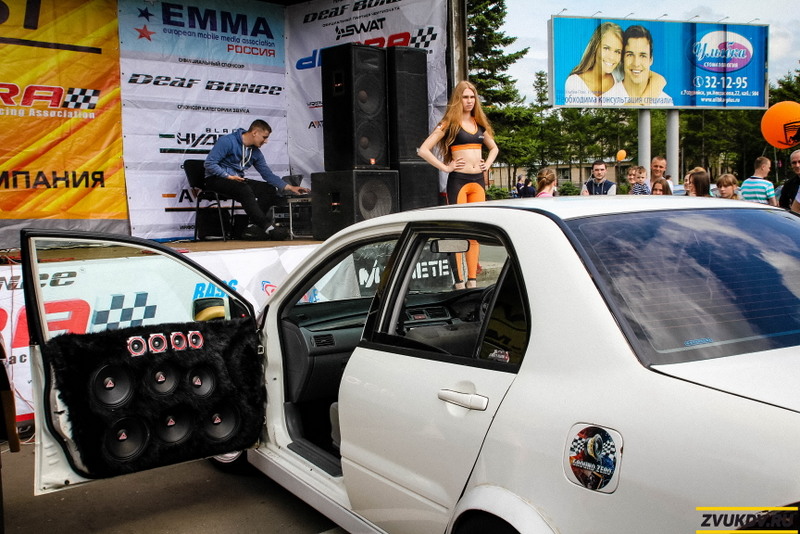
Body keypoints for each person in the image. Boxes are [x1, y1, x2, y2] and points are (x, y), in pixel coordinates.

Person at [418, 80, 499, 289]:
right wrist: (445, 167)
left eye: (472, 97)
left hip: (478, 182)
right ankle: (459, 282)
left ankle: (472, 281)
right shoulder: (449, 123)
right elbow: (423, 149)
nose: (469, 101)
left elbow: (494, 148)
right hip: (458, 181)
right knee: (458, 232)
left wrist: (487, 164)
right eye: (465, 97)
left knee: (474, 233)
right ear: (458, 99)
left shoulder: (479, 124)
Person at [205, 120, 308, 240]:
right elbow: (209, 163)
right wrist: (228, 176)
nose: (266, 141)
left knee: (268, 189)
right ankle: (266, 226)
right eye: (264, 137)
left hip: (236, 180)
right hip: (215, 178)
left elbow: (267, 174)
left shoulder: (256, 153)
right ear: (254, 133)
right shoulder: (227, 141)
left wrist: (289, 187)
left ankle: (252, 227)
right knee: (243, 188)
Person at [565, 22, 627, 105]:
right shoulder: (574, 82)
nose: (611, 57)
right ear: (595, 47)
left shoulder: (621, 77)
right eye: (606, 48)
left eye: (617, 52)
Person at [621, 25, 672, 106]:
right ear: (622, 58)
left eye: (642, 56)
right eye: (630, 55)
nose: (636, 63)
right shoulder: (606, 97)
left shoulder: (665, 101)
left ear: (651, 60)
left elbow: (660, 79)